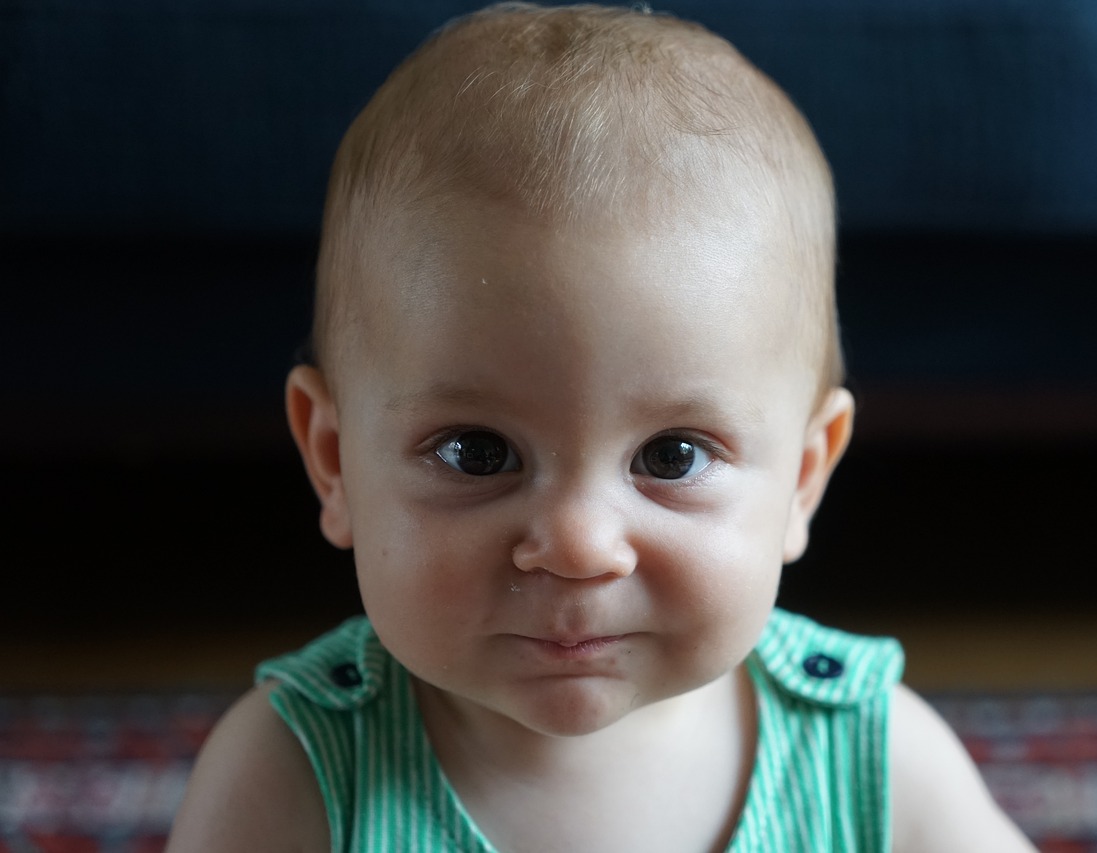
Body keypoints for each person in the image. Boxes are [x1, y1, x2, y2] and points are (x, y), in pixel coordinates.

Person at [167, 3, 1036, 851]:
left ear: (804, 475)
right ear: (334, 462)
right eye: (478, 453)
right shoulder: (293, 777)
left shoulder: (874, 761)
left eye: (672, 454)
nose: (579, 545)